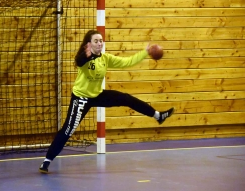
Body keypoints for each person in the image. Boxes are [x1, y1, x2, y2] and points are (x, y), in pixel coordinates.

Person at [39, 30, 174, 174]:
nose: (100, 43)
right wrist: (86, 56)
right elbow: (79, 62)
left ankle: (158, 116)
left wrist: (145, 52)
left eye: (101, 40)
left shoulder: (105, 58)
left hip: (97, 95)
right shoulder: (85, 59)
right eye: (96, 41)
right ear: (89, 44)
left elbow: (127, 62)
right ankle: (47, 161)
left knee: (126, 98)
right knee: (68, 129)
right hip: (81, 98)